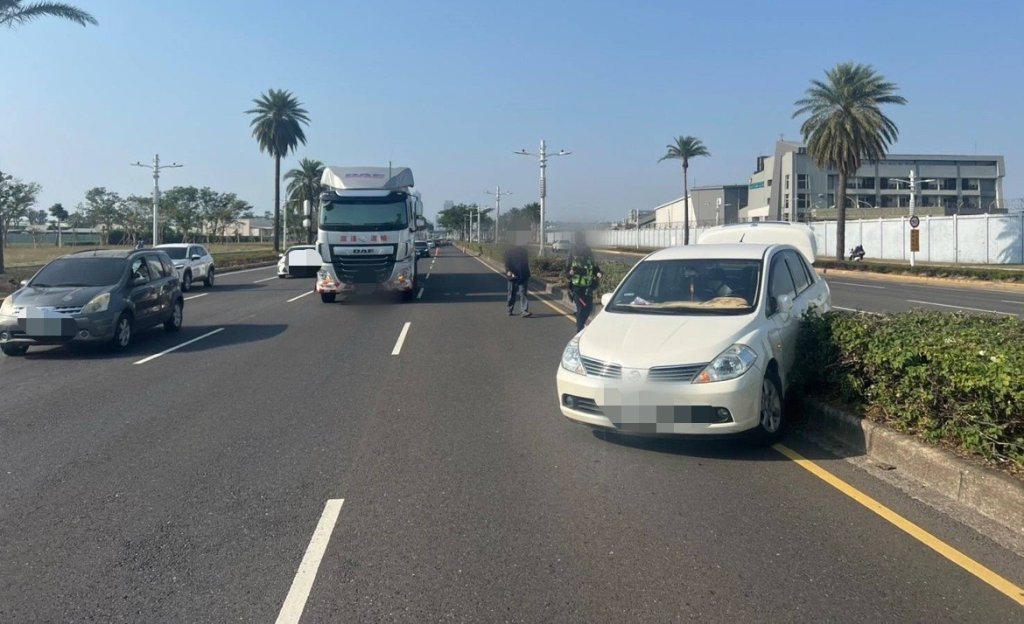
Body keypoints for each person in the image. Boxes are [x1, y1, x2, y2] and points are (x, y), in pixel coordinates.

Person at [566, 238, 602, 332]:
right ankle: (579, 330)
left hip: (588, 288)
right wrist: (570, 273)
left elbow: (596, 269)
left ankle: (580, 327)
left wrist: (599, 273)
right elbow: (566, 272)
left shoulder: (590, 260)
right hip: (576, 289)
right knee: (581, 309)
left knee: (588, 308)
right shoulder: (573, 259)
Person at [504, 245, 531, 317]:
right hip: (513, 275)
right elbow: (507, 263)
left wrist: (527, 274)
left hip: (523, 275)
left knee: (523, 293)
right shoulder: (509, 251)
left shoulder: (524, 251)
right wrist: (508, 271)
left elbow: (526, 263)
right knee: (511, 294)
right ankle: (510, 309)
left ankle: (524, 311)